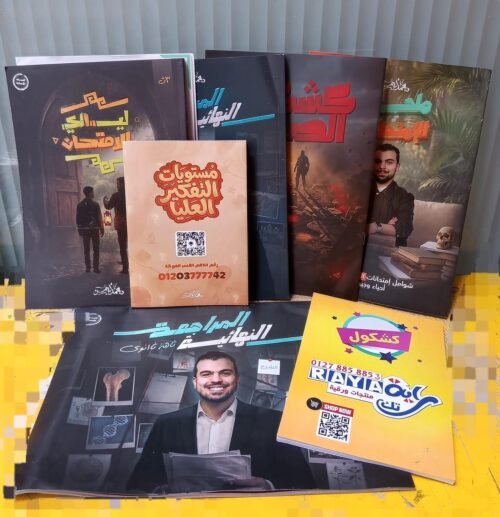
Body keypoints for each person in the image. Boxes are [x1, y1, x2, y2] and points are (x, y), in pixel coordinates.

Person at [127, 351, 315, 493]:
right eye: (206, 374)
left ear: (237, 379)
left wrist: (268, 486)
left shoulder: (273, 421)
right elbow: (139, 482)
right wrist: (162, 490)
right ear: (195, 382)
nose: (216, 379)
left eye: (225, 373)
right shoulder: (167, 424)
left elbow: (304, 482)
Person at [366, 143, 414, 246]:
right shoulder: (360, 189)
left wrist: (377, 227)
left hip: (388, 251)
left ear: (397, 167)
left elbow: (404, 228)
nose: (382, 167)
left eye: (389, 162)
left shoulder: (405, 197)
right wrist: (387, 227)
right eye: (378, 161)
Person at [76, 186, 104, 273]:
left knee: (86, 249)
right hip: (95, 229)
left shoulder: (80, 205)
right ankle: (96, 267)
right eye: (92, 192)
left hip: (85, 229)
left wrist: (79, 229)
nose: (93, 193)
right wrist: (102, 228)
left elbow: (78, 219)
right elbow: (99, 218)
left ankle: (88, 267)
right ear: (89, 193)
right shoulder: (96, 204)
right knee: (96, 249)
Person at [103, 177, 128, 274]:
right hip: (132, 223)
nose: (117, 185)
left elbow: (108, 206)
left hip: (121, 223)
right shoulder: (131, 194)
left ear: (122, 184)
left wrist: (105, 200)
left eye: (118, 183)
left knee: (123, 246)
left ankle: (125, 267)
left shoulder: (116, 195)